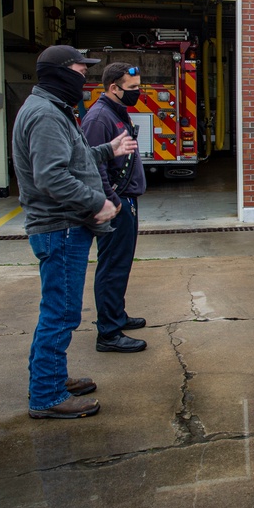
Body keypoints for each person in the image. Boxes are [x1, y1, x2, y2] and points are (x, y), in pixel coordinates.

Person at [12, 45, 138, 419]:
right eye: (82, 73)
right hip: (61, 226)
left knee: (57, 308)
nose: (85, 80)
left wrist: (108, 149)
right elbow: (51, 176)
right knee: (61, 312)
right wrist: (96, 202)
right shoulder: (46, 116)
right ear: (61, 72)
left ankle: (52, 377)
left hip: (64, 225)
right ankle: (47, 396)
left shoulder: (53, 110)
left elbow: (75, 157)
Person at [81, 62, 148, 353]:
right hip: (116, 206)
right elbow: (93, 168)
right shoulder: (99, 119)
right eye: (132, 89)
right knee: (112, 267)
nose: (137, 93)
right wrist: (114, 202)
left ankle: (116, 316)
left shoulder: (115, 113)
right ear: (113, 88)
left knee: (120, 265)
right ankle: (108, 333)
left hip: (125, 202)